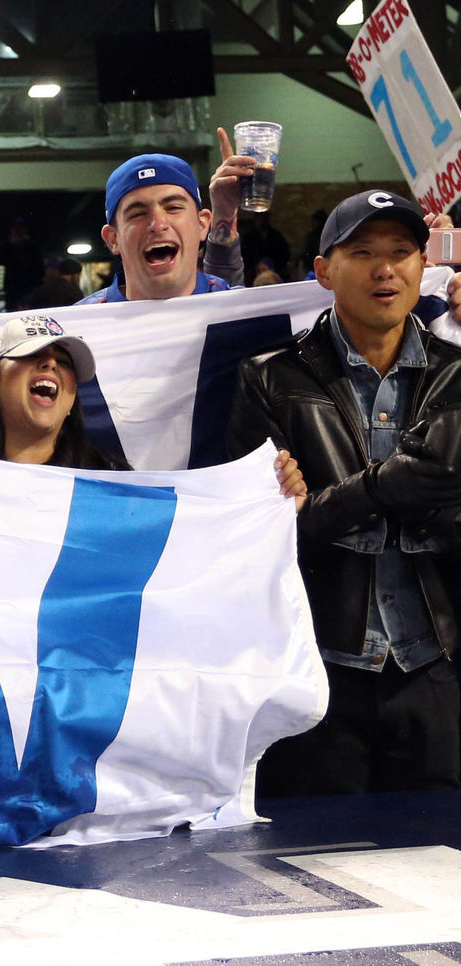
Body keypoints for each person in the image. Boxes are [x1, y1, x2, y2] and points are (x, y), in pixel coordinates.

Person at [228, 188, 461, 796]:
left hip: (437, 666)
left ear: (422, 265)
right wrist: (382, 489)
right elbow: (255, 540)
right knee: (316, 871)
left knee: (442, 871)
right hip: (317, 669)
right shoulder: (269, 378)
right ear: (325, 271)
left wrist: (333, 505)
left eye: (402, 251)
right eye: (362, 252)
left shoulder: (459, 374)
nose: (385, 269)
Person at [82, 133, 251, 304]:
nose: (158, 224)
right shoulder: (79, 326)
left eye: (174, 208)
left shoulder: (244, 314)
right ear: (113, 239)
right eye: (138, 214)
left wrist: (225, 213)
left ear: (202, 224)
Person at [0, 315, 127, 470]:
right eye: (31, 354)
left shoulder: (115, 485)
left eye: (64, 362)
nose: (51, 363)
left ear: (71, 404)